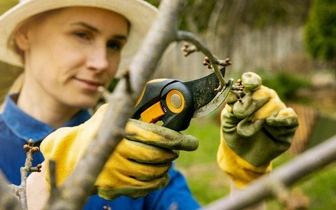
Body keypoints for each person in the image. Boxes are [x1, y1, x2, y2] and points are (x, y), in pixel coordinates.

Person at [0, 0, 299, 210]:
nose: (102, 62)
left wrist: (248, 178)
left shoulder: (137, 158)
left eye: (115, 44)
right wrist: (53, 181)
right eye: (82, 34)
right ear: (25, 35)